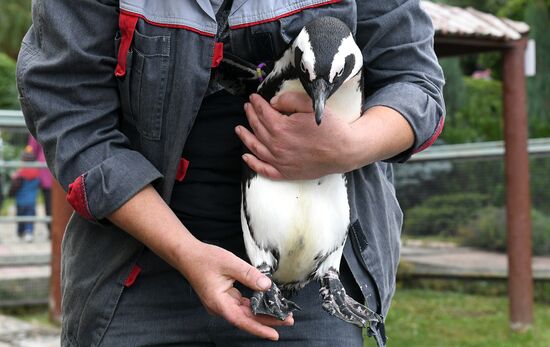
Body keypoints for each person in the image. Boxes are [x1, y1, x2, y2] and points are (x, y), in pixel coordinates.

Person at [16, 0, 444, 346]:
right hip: (138, 273)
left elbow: (414, 81)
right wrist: (185, 252)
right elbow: (71, 115)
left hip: (317, 278)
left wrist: (347, 146)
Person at [9, 145, 40, 242]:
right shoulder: (36, 174)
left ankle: (20, 232)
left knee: (20, 216)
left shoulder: (20, 175)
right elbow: (38, 185)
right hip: (31, 201)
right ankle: (29, 233)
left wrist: (14, 177)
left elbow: (14, 186)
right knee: (30, 217)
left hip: (20, 201)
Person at [27, 135, 53, 237]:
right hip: (49, 173)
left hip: (45, 172)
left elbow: (31, 150)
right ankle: (53, 230)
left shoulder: (38, 124)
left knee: (49, 204)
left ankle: (52, 230)